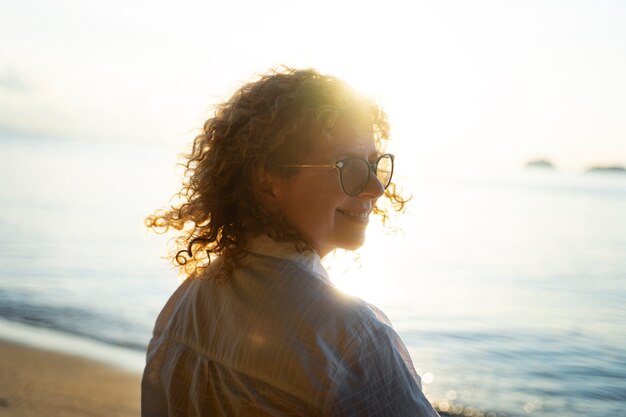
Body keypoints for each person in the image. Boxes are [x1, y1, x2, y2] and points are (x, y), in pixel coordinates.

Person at [141, 67, 439, 417]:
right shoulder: (351, 339)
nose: (376, 188)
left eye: (376, 166)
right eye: (351, 166)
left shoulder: (185, 305)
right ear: (268, 184)